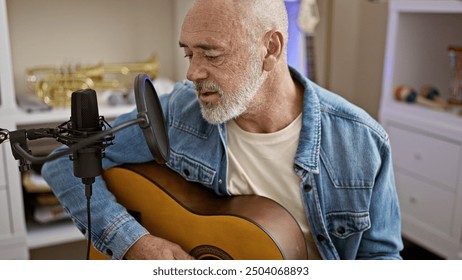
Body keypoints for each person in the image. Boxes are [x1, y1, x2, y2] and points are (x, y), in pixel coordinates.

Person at [42, 0, 403, 260]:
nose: (192, 73)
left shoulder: (362, 143)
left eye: (211, 55)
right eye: (189, 54)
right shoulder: (179, 111)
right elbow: (64, 160)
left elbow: (382, 259)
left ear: (270, 49)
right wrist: (132, 242)